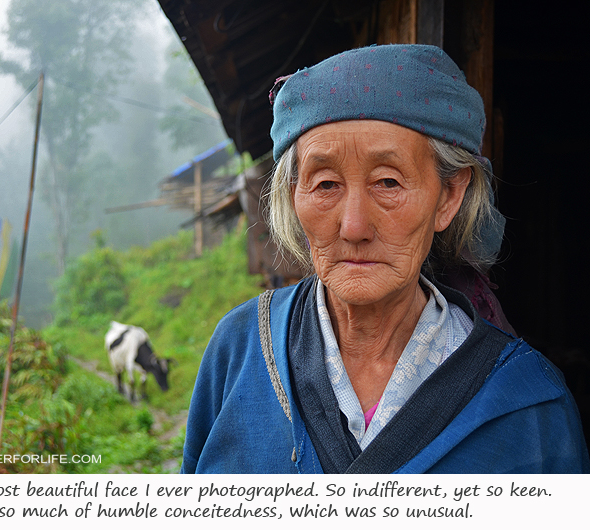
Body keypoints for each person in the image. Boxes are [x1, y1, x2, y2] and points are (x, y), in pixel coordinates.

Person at [181, 44, 589, 473]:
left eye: (388, 182)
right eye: (325, 185)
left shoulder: (529, 404)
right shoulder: (239, 349)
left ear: (449, 196)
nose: (354, 226)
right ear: (292, 196)